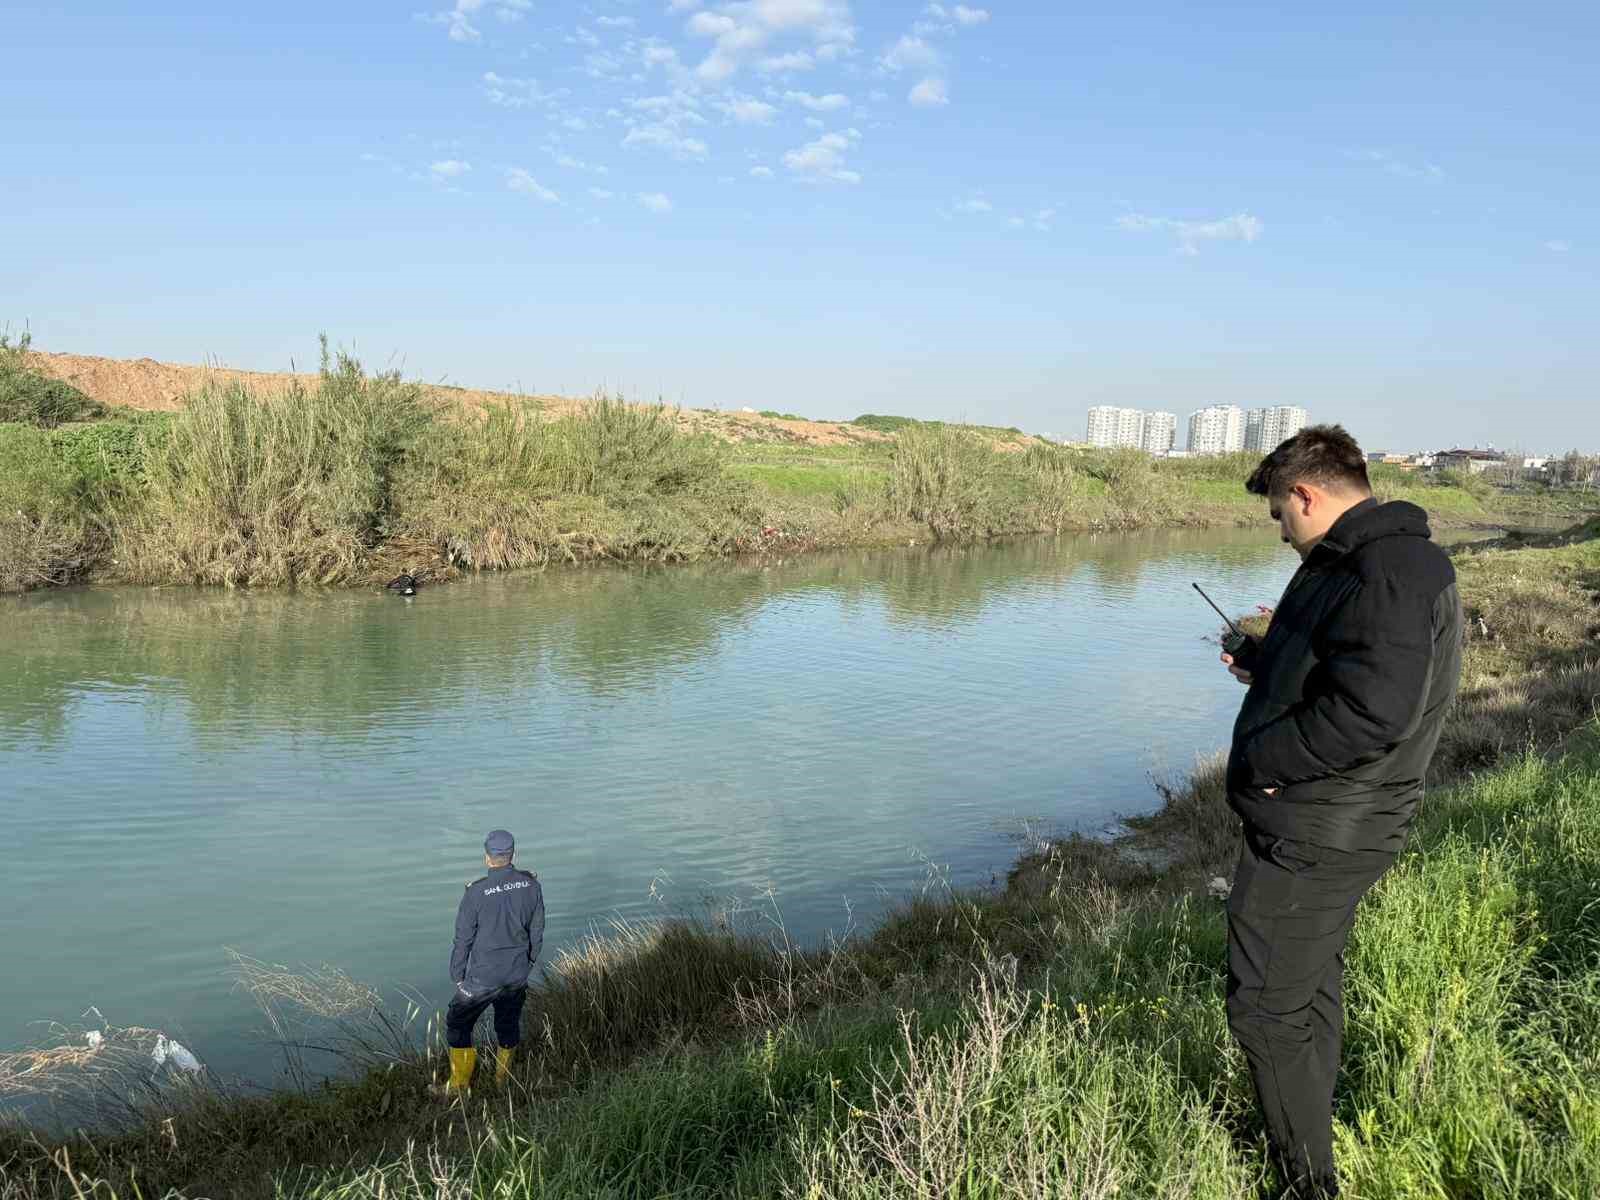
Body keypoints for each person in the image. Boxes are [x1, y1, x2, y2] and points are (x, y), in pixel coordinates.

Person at [1220, 425, 1462, 1198]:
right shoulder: (1372, 561)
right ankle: (1314, 1138)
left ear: (1306, 494)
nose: (1280, 531)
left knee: (1264, 1009)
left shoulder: (1384, 570)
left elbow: (1372, 713)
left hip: (1321, 829)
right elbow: (1350, 671)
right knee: (1305, 989)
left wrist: (1264, 766)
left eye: (1279, 516)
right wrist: (1267, 663)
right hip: (1333, 821)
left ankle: (1306, 1184)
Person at [442, 829, 545, 1096]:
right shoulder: (532, 885)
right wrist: (528, 962)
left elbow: (462, 939)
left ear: (487, 858)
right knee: (508, 1023)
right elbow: (537, 930)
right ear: (513, 855)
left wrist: (457, 975)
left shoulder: (475, 893)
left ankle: (460, 1086)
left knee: (457, 1022)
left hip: (482, 977)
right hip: (516, 975)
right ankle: (503, 1079)